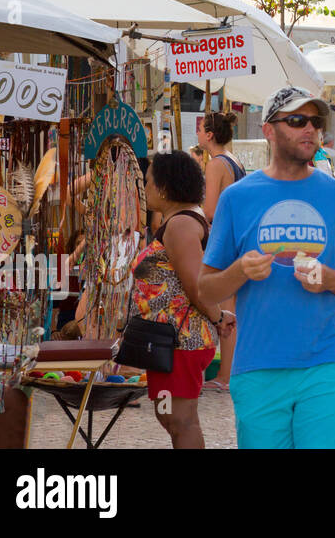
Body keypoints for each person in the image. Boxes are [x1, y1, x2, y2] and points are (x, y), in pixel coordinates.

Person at [198, 87, 335, 449]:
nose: (309, 129)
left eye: (315, 121)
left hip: (328, 363)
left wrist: (330, 279)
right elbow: (206, 289)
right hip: (258, 367)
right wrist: (239, 271)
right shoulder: (237, 198)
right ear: (269, 130)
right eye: (296, 120)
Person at [133, 151, 233, 448]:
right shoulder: (180, 221)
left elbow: (194, 283)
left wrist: (218, 317)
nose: (145, 188)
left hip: (180, 341)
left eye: (148, 182)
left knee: (178, 418)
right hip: (171, 341)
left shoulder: (180, 225)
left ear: (164, 187)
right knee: (170, 415)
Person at [199, 110, 245, 393]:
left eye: (201, 129)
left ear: (210, 135)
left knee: (227, 313)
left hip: (225, 242)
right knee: (233, 310)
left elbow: (210, 211)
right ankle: (231, 373)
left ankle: (225, 376)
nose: (198, 133)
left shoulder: (216, 164)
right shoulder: (234, 160)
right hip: (238, 239)